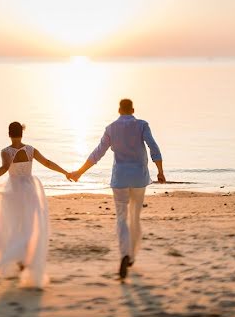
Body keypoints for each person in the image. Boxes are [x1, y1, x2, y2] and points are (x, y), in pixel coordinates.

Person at [69, 99, 165, 279]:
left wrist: (80, 172)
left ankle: (124, 254)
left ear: (119, 110)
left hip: (120, 178)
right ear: (133, 110)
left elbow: (98, 152)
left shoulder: (111, 128)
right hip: (138, 177)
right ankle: (132, 257)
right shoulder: (142, 125)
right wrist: (160, 171)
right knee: (135, 217)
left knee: (121, 217)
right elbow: (153, 147)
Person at [0, 121, 72, 288]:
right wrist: (65, 172)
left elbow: (5, 168)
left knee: (14, 224)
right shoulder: (30, 150)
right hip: (30, 189)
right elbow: (48, 163)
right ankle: (25, 257)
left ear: (9, 134)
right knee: (29, 225)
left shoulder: (6, 151)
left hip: (14, 191)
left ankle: (20, 258)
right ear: (22, 133)